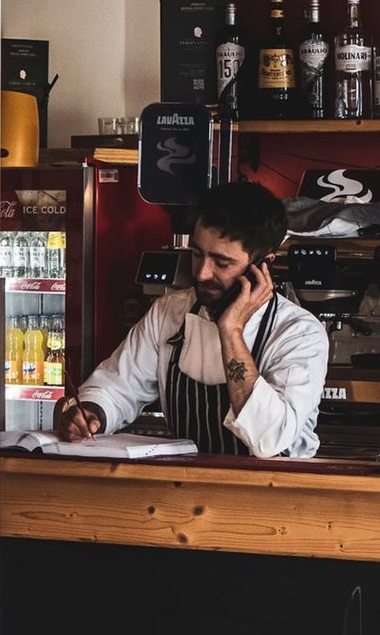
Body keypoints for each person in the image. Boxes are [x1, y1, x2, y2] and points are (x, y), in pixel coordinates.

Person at [57, 180, 328, 458]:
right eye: (197, 254)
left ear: (263, 264)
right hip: (186, 490)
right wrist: (91, 412)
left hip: (274, 496)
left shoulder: (299, 332)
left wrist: (231, 331)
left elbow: (269, 439)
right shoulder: (169, 313)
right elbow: (117, 386)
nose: (201, 273)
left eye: (222, 262)